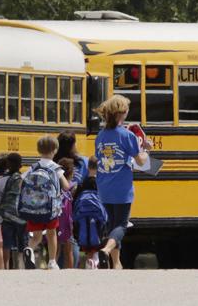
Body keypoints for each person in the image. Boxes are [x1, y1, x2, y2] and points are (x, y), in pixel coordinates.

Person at [93, 95, 151, 269]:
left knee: (111, 225)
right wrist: (146, 149)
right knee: (121, 225)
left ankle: (116, 263)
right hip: (122, 187)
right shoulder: (127, 135)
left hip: (103, 185)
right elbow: (140, 161)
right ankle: (106, 250)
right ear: (121, 114)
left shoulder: (100, 136)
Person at [20, 135, 73, 270]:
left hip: (34, 207)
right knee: (51, 234)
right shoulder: (56, 168)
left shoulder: (33, 167)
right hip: (51, 209)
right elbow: (66, 186)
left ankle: (29, 249)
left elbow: (21, 181)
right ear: (55, 150)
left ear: (39, 150)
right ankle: (52, 261)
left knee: (36, 236)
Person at [74, 156, 106, 269]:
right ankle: (95, 262)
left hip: (83, 215)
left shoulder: (82, 183)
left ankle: (90, 261)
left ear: (88, 167)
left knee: (86, 235)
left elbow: (75, 199)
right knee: (97, 237)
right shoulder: (102, 183)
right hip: (98, 215)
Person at [0, 152, 26, 269]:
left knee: (7, 243)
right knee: (22, 242)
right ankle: (21, 265)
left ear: (7, 164)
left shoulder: (2, 180)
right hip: (21, 216)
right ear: (20, 165)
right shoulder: (24, 178)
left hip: (7, 215)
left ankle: (6, 267)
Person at [56, 157, 77, 269]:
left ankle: (52, 265)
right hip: (68, 221)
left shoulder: (56, 185)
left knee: (56, 246)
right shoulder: (73, 186)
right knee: (68, 248)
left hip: (56, 218)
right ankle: (70, 270)